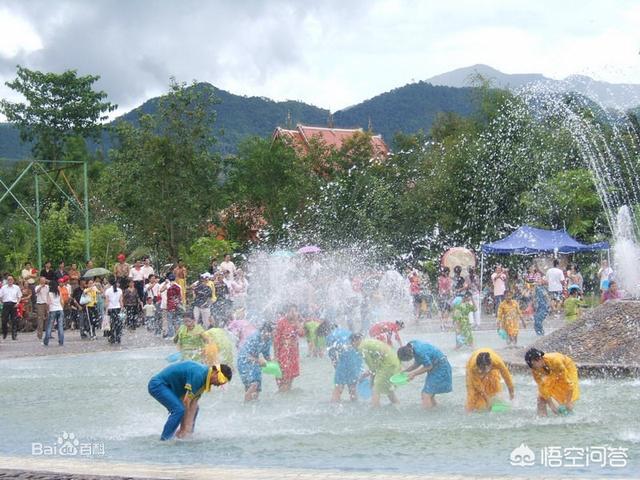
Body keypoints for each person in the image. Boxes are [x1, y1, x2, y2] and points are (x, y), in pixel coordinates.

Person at [147, 361, 231, 441]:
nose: (219, 385)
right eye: (221, 380)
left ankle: (188, 433)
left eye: (223, 383)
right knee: (179, 409)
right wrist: (183, 428)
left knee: (195, 408)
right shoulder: (199, 375)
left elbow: (193, 403)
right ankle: (165, 440)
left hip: (169, 387)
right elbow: (186, 402)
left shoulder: (205, 378)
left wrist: (187, 430)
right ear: (215, 372)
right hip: (158, 385)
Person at [397, 340, 452, 409]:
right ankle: (435, 412)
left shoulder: (419, 351)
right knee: (430, 394)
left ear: (409, 355)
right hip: (437, 365)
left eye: (407, 360)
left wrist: (413, 374)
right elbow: (417, 363)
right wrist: (405, 371)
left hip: (441, 367)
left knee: (426, 395)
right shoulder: (411, 344)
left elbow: (428, 366)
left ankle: (428, 416)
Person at [525, 348, 579, 416]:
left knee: (567, 399)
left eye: (533, 364)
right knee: (541, 397)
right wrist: (552, 406)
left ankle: (570, 417)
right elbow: (542, 387)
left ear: (539, 359)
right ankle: (542, 418)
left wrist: (568, 402)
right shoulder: (534, 368)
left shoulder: (556, 361)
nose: (533, 368)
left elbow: (569, 385)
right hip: (552, 371)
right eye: (531, 366)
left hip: (567, 367)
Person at [318, 322, 363, 402]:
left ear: (324, 332)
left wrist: (338, 369)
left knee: (338, 387)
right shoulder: (343, 330)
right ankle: (355, 406)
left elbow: (333, 356)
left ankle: (333, 409)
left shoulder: (329, 336)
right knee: (352, 387)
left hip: (346, 358)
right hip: (357, 358)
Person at [352, 335, 400, 407]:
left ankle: (375, 411)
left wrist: (370, 382)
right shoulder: (367, 342)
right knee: (387, 388)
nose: (352, 346)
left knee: (376, 389)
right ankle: (397, 405)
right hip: (394, 362)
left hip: (387, 364)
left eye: (351, 343)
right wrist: (369, 377)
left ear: (355, 341)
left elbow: (373, 369)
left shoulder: (361, 348)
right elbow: (375, 365)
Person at [237, 323, 273, 402]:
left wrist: (274, 366)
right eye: (266, 333)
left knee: (257, 388)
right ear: (262, 332)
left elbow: (266, 355)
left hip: (254, 362)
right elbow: (246, 356)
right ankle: (245, 404)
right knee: (254, 384)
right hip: (243, 361)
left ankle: (251, 409)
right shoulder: (255, 338)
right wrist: (259, 361)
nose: (268, 335)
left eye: (270, 334)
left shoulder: (268, 340)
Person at [274, 305, 305, 392]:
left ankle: (286, 399)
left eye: (295, 311)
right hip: (283, 354)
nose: (293, 313)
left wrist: (297, 321)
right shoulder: (281, 322)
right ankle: (282, 397)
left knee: (290, 378)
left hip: (293, 354)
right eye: (291, 311)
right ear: (287, 312)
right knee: (283, 379)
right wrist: (276, 356)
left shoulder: (296, 323)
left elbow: (302, 334)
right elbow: (276, 340)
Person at [160, 274, 183, 338]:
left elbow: (161, 290)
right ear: (175, 279)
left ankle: (171, 335)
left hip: (170, 305)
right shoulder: (178, 286)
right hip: (177, 305)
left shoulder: (167, 285)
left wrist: (166, 283)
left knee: (170, 320)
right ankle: (178, 333)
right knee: (177, 320)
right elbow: (180, 297)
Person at [0, 275, 22, 340]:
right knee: (4, 320)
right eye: (9, 279)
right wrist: (2, 302)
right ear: (7, 280)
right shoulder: (3, 288)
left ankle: (14, 335)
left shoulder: (16, 287)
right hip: (6, 304)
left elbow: (19, 296)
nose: (10, 281)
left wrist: (17, 303)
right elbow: (0, 296)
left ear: (13, 280)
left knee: (14, 320)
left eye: (11, 279)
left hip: (14, 304)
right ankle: (5, 333)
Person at [43, 280, 64, 346]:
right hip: (60, 309)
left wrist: (47, 311)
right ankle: (61, 341)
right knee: (60, 326)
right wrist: (62, 308)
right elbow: (62, 302)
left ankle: (46, 341)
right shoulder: (58, 292)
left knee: (49, 326)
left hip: (52, 310)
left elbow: (48, 303)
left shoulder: (49, 293)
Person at [104, 277, 124, 344]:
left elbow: (107, 302)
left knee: (111, 324)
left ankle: (112, 337)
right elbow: (121, 301)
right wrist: (122, 308)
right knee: (118, 323)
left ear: (109, 283)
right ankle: (118, 337)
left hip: (110, 309)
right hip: (118, 308)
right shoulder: (120, 290)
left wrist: (106, 311)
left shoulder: (107, 291)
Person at [34, 276, 49, 340]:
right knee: (40, 319)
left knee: (48, 319)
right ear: (40, 281)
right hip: (40, 304)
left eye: (44, 280)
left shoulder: (47, 287)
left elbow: (48, 295)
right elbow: (37, 291)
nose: (43, 281)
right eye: (42, 280)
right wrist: (41, 286)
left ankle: (48, 334)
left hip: (46, 303)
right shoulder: (37, 287)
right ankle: (39, 335)